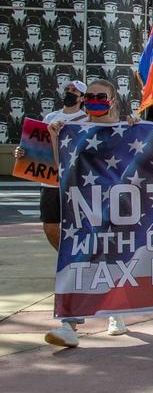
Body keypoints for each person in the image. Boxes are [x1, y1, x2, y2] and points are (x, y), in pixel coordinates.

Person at [45, 78, 138, 344]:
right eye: (91, 96)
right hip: (81, 208)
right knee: (75, 261)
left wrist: (136, 128)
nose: (94, 101)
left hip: (117, 207)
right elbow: (60, 167)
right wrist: (55, 136)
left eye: (101, 96)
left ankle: (114, 312)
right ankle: (69, 324)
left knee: (114, 259)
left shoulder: (126, 130)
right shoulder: (71, 129)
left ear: (112, 101)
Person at [18, 79, 87, 348]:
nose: (69, 94)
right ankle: (66, 256)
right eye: (67, 90)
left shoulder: (86, 118)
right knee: (50, 226)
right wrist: (23, 153)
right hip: (49, 181)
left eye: (74, 91)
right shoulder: (50, 117)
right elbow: (39, 149)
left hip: (74, 182)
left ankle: (73, 265)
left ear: (82, 97)